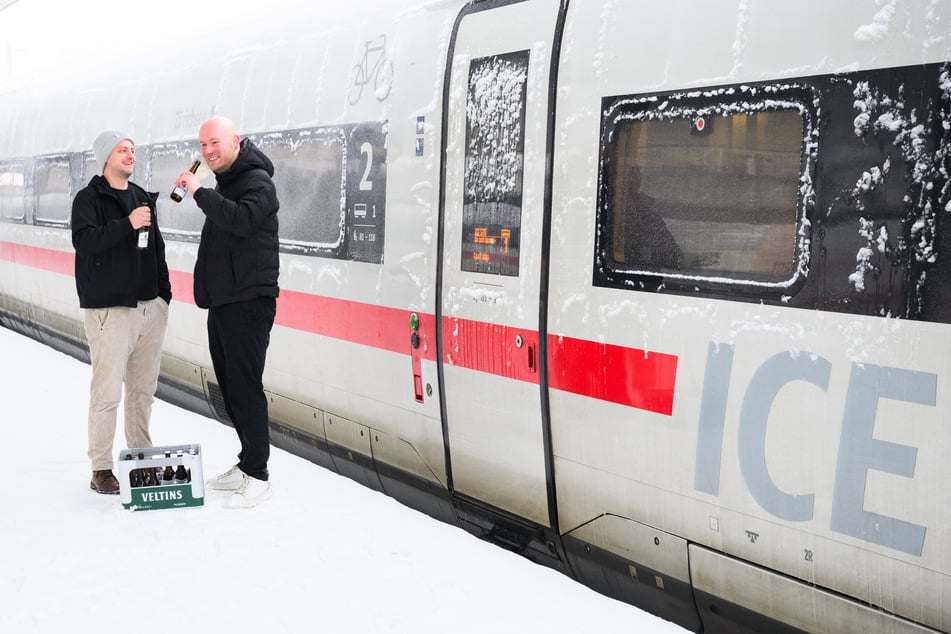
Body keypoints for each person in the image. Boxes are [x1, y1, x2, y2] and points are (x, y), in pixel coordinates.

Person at [176, 116, 279, 508]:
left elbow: (241, 221)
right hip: (224, 302)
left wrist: (200, 191)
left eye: (214, 143)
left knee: (246, 386)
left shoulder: (258, 182)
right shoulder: (229, 183)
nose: (207, 151)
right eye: (202, 146)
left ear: (235, 141)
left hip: (249, 303)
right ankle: (247, 460)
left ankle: (259, 475)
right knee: (230, 386)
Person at [72, 130, 172, 495]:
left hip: (150, 308)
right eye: (122, 150)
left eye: (132, 150)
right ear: (105, 157)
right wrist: (126, 224)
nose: (131, 155)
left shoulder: (143, 197)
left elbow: (156, 249)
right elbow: (84, 243)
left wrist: (164, 295)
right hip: (110, 310)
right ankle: (101, 468)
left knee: (143, 392)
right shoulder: (89, 199)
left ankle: (141, 458)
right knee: (108, 392)